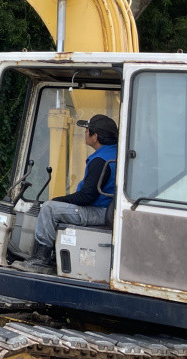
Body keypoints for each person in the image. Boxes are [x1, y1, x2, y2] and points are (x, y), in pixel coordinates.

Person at [13, 113, 118, 274]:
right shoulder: (116, 153)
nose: (85, 133)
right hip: (108, 210)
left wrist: (58, 200)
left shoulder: (100, 161)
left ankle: (41, 260)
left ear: (95, 136)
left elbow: (86, 196)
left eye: (87, 130)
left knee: (49, 208)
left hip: (98, 212)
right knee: (55, 206)